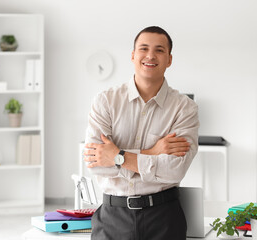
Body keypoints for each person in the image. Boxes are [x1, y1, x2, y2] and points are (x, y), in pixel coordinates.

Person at [83, 26, 199, 240]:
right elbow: (96, 164)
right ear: (133, 55)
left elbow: (175, 170)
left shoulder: (185, 108)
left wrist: (117, 157)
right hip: (111, 217)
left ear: (169, 59)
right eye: (143, 48)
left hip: (164, 217)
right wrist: (154, 152)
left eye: (159, 50)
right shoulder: (106, 101)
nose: (150, 56)